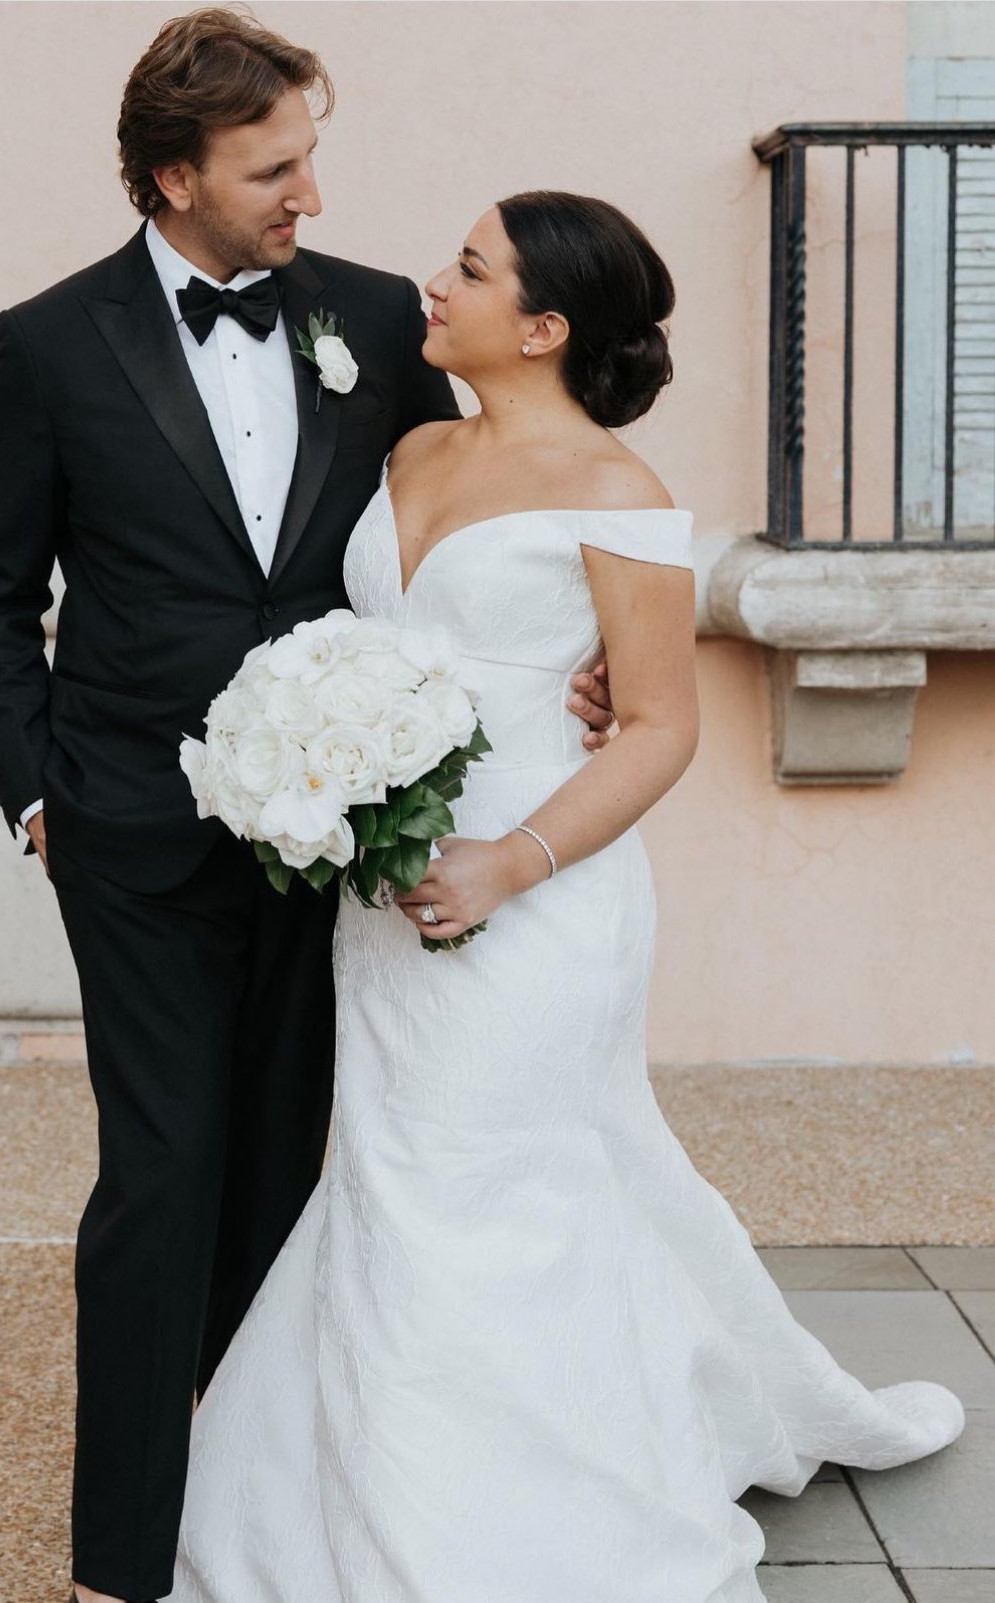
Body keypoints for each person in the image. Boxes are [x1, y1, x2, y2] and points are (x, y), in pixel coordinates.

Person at [168, 192, 966, 1603]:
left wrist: (507, 860)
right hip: (385, 892)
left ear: (540, 328)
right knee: (398, 1173)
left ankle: (487, 1528)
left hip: (540, 889)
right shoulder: (412, 446)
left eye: (469, 269)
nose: (433, 282)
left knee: (479, 1182)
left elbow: (656, 727)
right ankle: (360, 1480)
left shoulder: (619, 494)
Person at [0, 14, 614, 1602]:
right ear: (174, 176)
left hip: (342, 840)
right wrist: (39, 798)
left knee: (285, 1180)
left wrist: (578, 649)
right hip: (129, 829)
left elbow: (508, 480)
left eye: (308, 157)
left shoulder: (376, 317)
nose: (310, 192)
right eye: (273, 169)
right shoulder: (49, 344)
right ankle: (121, 1562)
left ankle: (256, 1527)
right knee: (160, 1176)